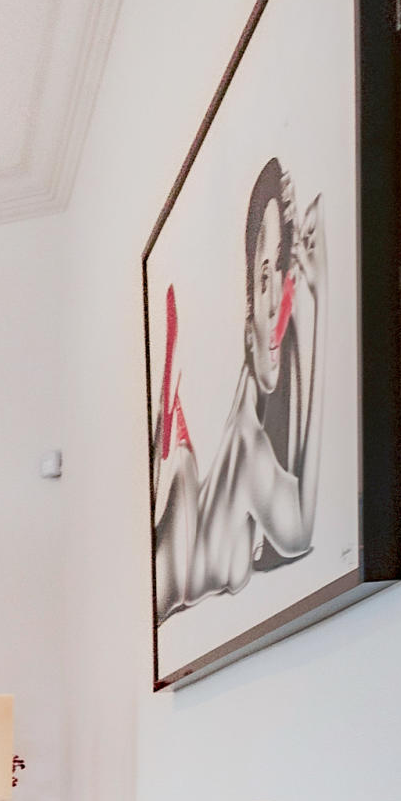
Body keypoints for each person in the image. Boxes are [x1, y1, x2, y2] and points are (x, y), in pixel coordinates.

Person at [154, 157, 323, 623]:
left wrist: (316, 297)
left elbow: (300, 530)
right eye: (263, 278)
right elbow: (297, 530)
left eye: (280, 269)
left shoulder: (250, 445)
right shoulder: (243, 443)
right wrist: (321, 294)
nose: (274, 301)